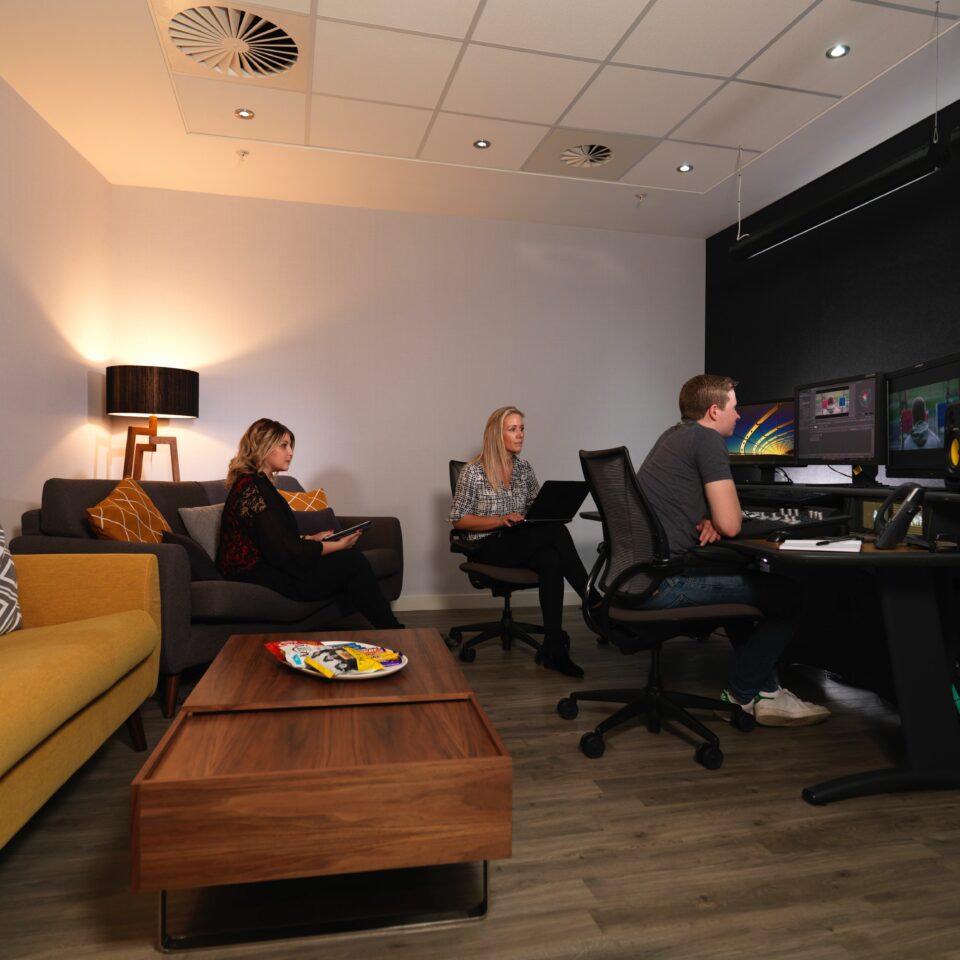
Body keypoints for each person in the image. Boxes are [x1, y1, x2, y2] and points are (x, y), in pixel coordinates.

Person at [636, 375, 830, 726]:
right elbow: (731, 526)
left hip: (637, 578)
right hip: (666, 583)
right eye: (734, 407)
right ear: (714, 411)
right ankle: (742, 694)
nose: (739, 416)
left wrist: (712, 517)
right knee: (790, 595)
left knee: (742, 586)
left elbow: (697, 510)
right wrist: (724, 519)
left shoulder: (673, 436)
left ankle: (768, 694)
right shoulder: (707, 440)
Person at [217, 418, 402, 630]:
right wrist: (337, 545)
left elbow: (271, 538)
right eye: (284, 445)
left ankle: (387, 629)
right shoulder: (255, 489)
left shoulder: (255, 483)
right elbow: (284, 550)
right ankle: (392, 630)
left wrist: (311, 538)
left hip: (266, 566)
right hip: (256, 574)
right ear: (263, 447)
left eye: (291, 446)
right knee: (352, 561)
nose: (291, 452)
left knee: (349, 560)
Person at [448, 406, 589, 678]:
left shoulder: (524, 469)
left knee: (550, 557)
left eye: (522, 428)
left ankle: (554, 648)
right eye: (513, 429)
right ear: (496, 434)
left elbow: (536, 508)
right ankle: (592, 599)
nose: (520, 434)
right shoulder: (473, 471)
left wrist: (545, 513)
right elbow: (459, 520)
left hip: (516, 541)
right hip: (486, 546)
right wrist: (500, 520)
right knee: (556, 533)